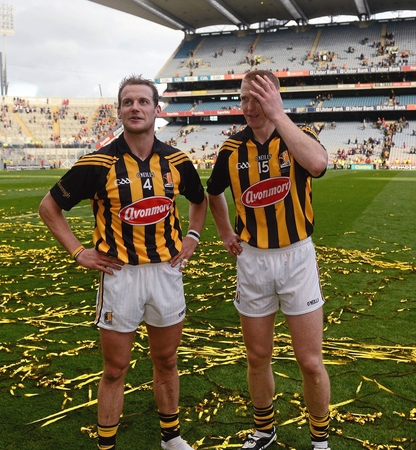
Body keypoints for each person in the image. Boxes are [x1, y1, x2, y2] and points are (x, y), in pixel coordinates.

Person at [39, 74, 207, 450]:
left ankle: (171, 437)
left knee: (165, 360)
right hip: (120, 276)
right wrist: (79, 251)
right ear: (118, 111)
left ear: (156, 110)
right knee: (115, 369)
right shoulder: (98, 163)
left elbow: (200, 200)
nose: (135, 108)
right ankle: (106, 445)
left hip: (166, 272)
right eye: (128, 102)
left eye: (143, 101)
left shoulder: (177, 161)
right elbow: (49, 207)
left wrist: (192, 237)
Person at [206, 70, 332, 450]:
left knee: (310, 362)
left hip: (296, 258)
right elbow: (214, 192)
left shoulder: (297, 137)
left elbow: (318, 165)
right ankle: (264, 431)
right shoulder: (231, 149)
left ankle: (320, 441)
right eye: (244, 98)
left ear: (275, 99)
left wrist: (279, 117)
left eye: (258, 98)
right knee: (257, 355)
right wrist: (226, 232)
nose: (249, 106)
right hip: (254, 260)